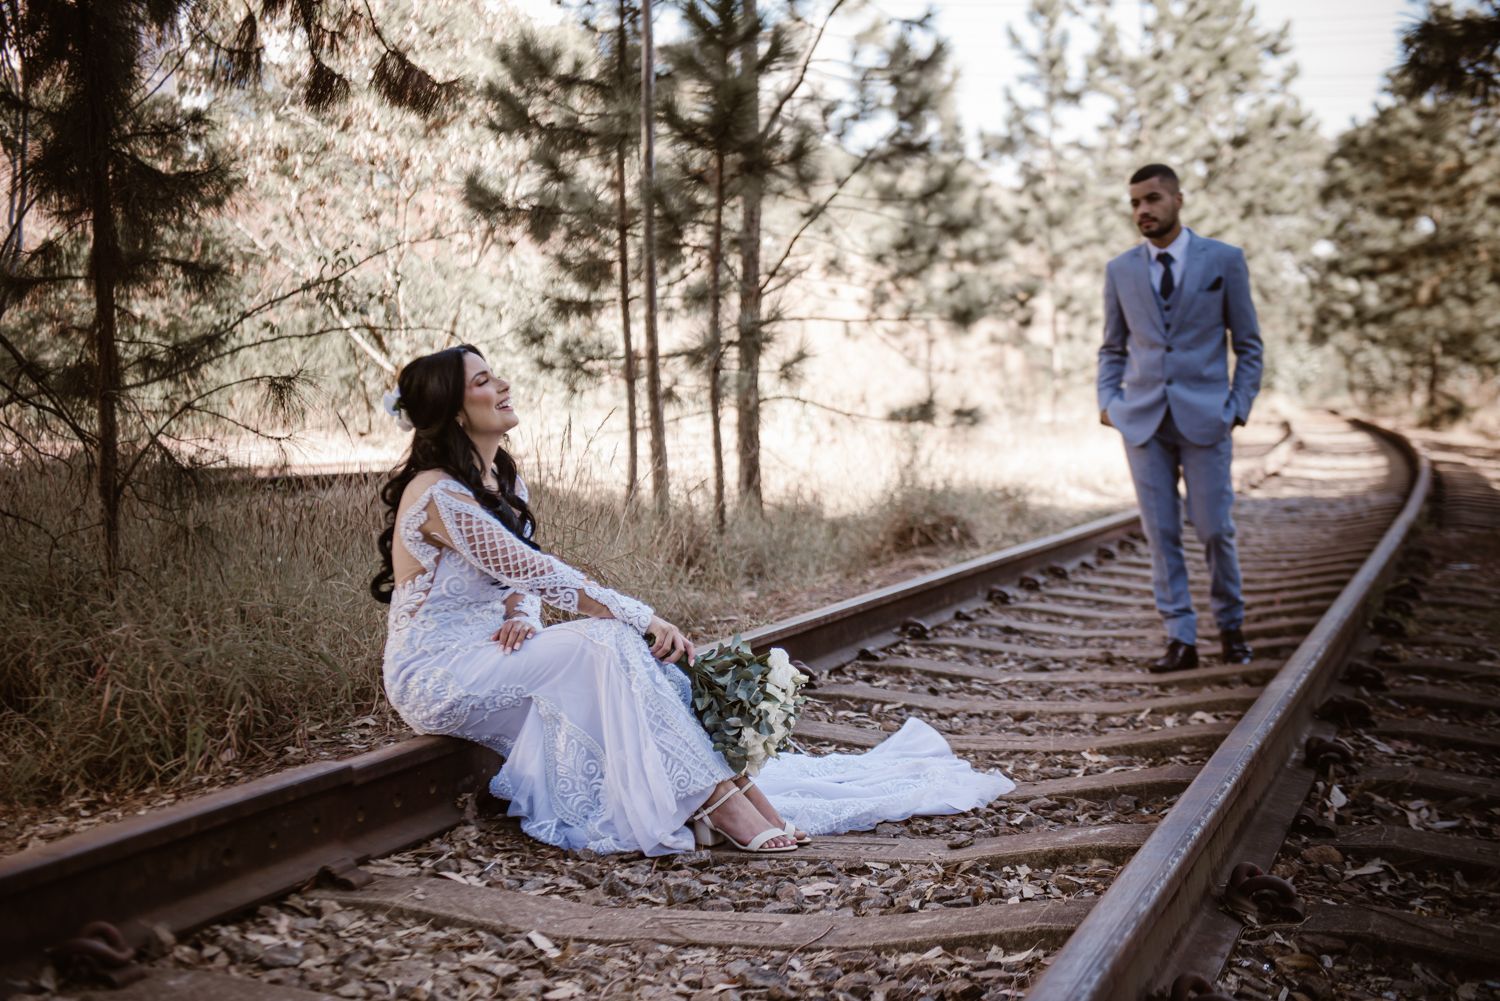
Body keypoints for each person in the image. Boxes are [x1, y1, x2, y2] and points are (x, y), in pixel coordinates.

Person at [372, 344, 1013, 856]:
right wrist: (643, 616)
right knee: (607, 639)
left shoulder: (501, 477)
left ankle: (717, 792)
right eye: (483, 381)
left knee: (611, 651)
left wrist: (518, 614)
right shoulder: (437, 494)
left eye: (494, 375)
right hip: (438, 671)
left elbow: (521, 585)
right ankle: (717, 798)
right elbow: (542, 572)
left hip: (498, 652)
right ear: (455, 408)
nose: (502, 385)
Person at [1096, 164, 1264, 673]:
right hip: (1143, 422)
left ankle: (1230, 628)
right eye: (1134, 203)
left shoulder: (1225, 260)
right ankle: (1181, 639)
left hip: (1207, 417)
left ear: (1177, 199)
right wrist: (1109, 404)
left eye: (1152, 199)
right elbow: (1112, 347)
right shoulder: (1120, 269)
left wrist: (1236, 407)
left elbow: (1249, 345)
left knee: (1215, 529)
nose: (1142, 210)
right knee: (1161, 533)